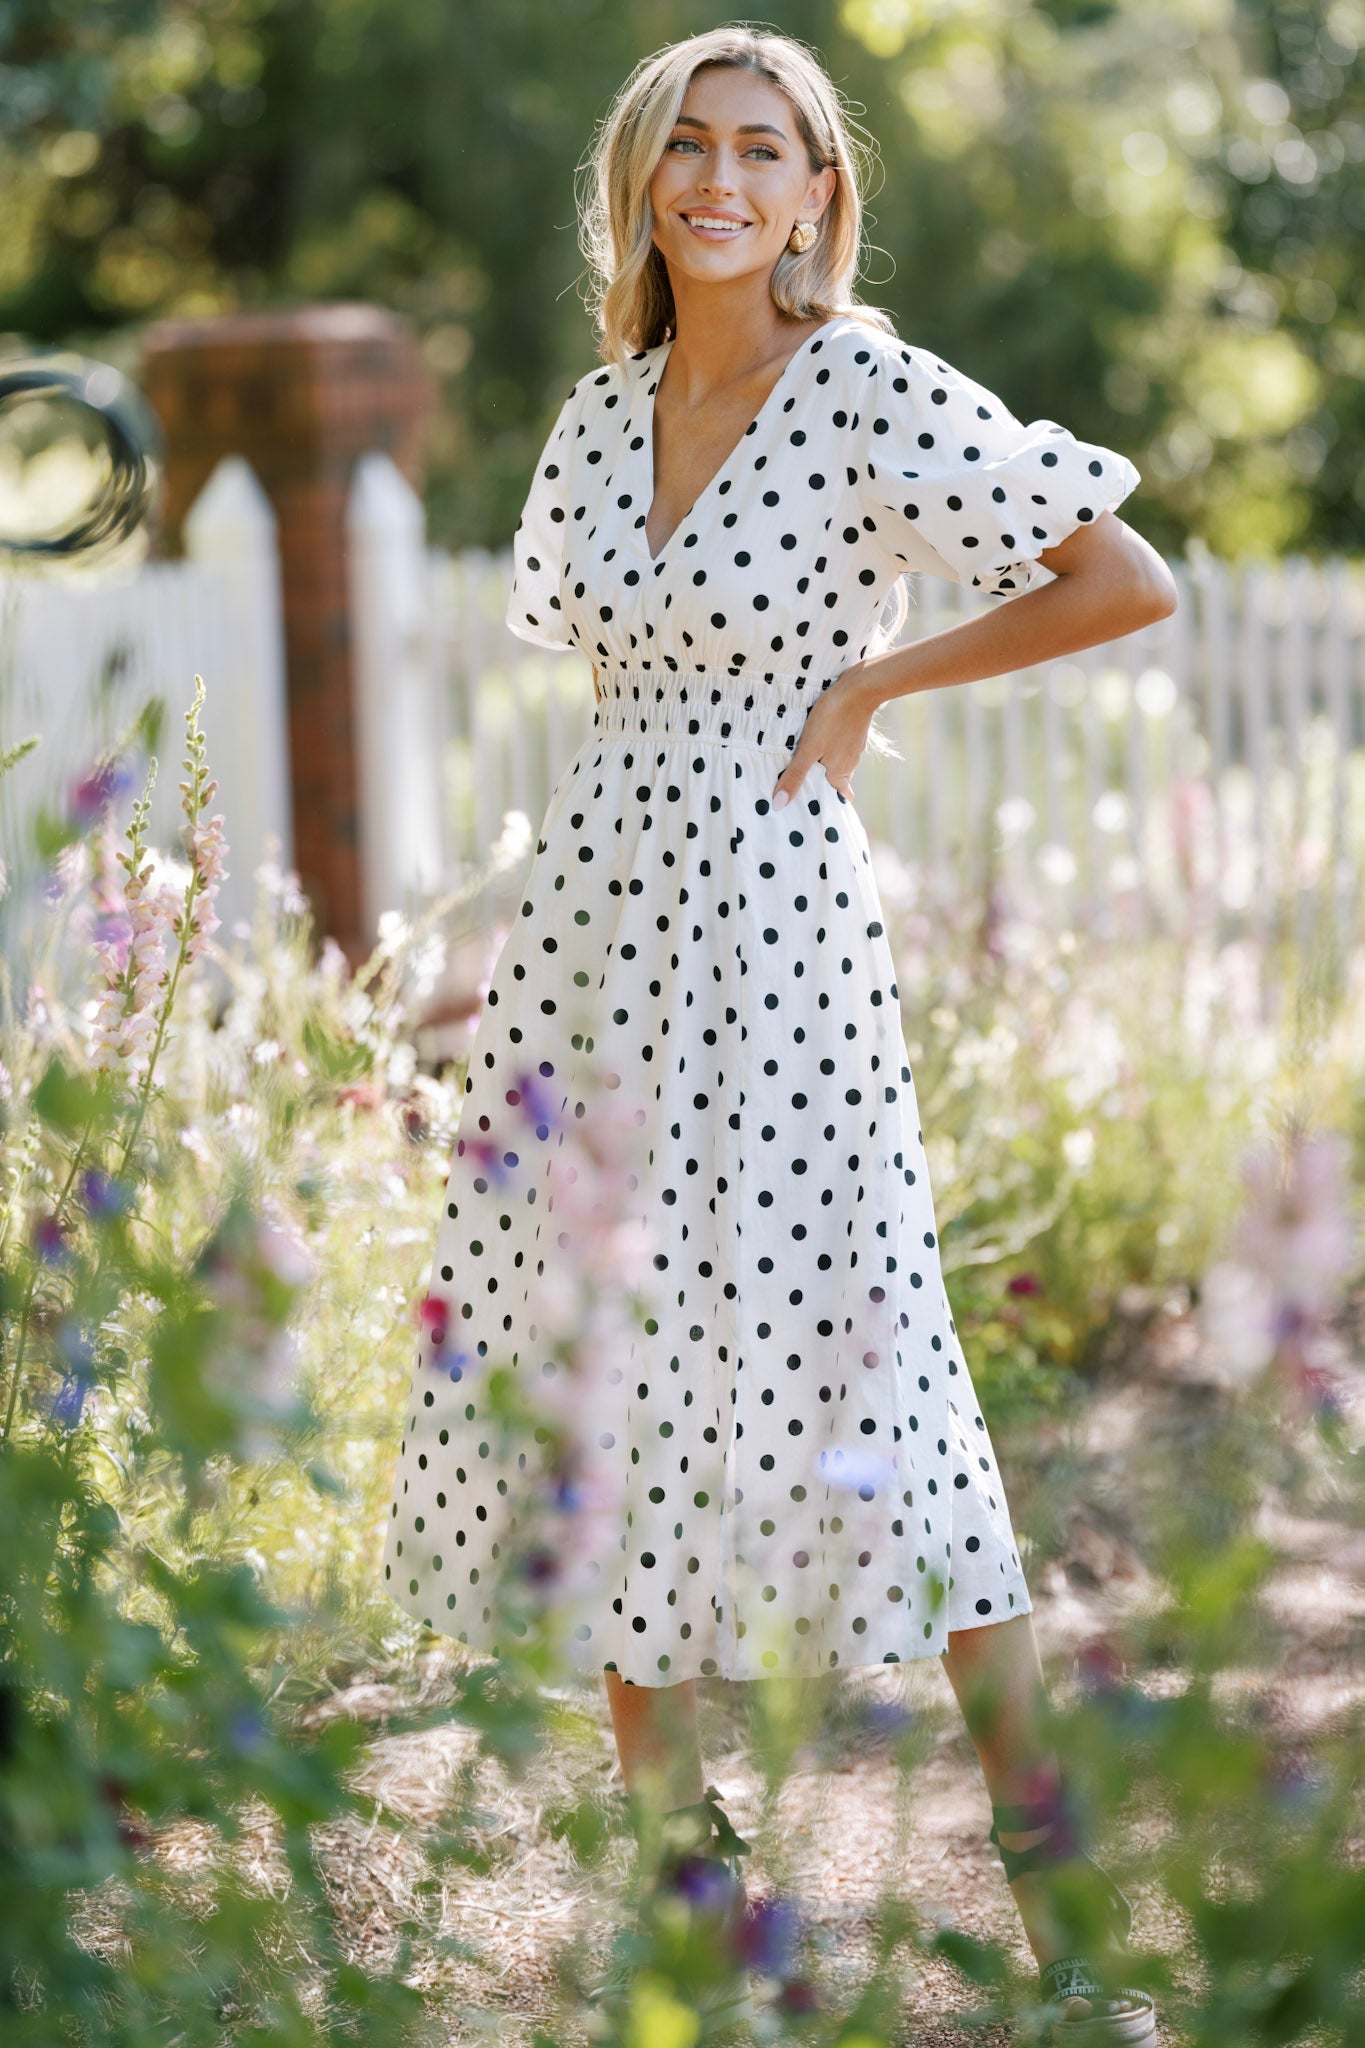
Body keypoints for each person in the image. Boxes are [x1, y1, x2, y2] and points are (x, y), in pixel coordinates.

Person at [385, 25, 1175, 2042]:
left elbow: (1123, 574)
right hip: (592, 937)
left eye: (766, 151)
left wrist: (874, 684)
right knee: (597, 1371)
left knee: (881, 1388)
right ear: (645, 183)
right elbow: (601, 686)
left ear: (818, 194)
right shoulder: (598, 411)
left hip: (776, 950)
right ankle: (691, 1888)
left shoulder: (863, 393)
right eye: (690, 149)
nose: (722, 181)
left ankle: (1071, 1929)